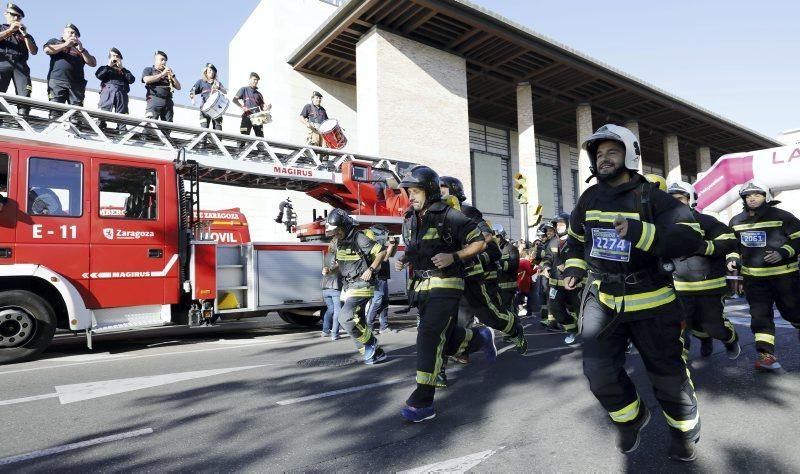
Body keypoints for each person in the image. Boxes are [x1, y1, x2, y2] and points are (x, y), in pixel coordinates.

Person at [562, 124, 705, 462]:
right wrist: (573, 268)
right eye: (599, 154)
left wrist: (642, 232)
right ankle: (632, 418)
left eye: (612, 152)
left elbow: (692, 236)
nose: (604, 159)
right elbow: (576, 242)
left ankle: (685, 432)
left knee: (668, 379)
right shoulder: (589, 198)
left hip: (653, 301)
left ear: (630, 155)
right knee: (598, 373)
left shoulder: (653, 198)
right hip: (603, 300)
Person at [395, 165, 497, 422]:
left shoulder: (451, 215)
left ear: (429, 190)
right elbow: (418, 248)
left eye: (416, 191)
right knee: (446, 339)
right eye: (409, 192)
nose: (412, 197)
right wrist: (405, 257)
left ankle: (423, 401)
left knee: (428, 336)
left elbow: (479, 241)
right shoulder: (410, 218)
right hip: (421, 288)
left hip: (447, 285)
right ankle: (478, 338)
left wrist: (454, 256)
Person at [439, 176, 527, 355]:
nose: (439, 190)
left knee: (488, 316)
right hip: (444, 278)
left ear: (454, 190)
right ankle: (442, 366)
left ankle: (514, 329)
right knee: (440, 323)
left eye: (443, 187)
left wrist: (467, 250)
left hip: (470, 276)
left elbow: (486, 239)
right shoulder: (434, 213)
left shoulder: (468, 211)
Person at [727, 180, 800, 371]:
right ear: (743, 198)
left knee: (793, 313)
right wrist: (732, 258)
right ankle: (766, 355)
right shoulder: (736, 222)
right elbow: (732, 246)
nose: (752, 198)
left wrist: (783, 252)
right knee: (760, 317)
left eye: (757, 195)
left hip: (785, 278)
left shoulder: (783, 217)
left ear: (765, 197)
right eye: (748, 195)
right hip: (754, 280)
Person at [667, 181, 740, 360]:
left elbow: (729, 240)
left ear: (691, 200)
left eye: (681, 198)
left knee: (712, 327)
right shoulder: (664, 225)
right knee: (681, 329)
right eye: (672, 199)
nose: (676, 202)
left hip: (710, 287)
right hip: (679, 289)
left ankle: (730, 339)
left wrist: (701, 247)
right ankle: (680, 370)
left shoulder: (706, 221)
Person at [326, 208, 388, 365]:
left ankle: (371, 343)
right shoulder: (339, 242)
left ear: (345, 226)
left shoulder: (359, 237)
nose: (336, 233)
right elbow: (341, 264)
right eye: (334, 231)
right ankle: (375, 354)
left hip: (363, 285)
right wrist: (330, 270)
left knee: (345, 317)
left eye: (338, 229)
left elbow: (381, 252)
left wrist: (370, 269)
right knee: (356, 322)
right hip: (349, 286)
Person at [541, 212, 582, 344]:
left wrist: (570, 267)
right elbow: (547, 258)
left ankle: (587, 334)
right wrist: (546, 267)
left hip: (574, 284)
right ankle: (572, 330)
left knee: (580, 309)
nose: (559, 227)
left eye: (562, 224)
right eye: (557, 224)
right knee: (555, 310)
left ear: (568, 225)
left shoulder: (576, 240)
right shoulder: (552, 242)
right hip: (555, 284)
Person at [44, 23, 96, 120]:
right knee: (55, 112)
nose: (73, 36)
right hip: (58, 81)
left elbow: (93, 63)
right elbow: (47, 50)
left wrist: (82, 50)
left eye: (76, 34)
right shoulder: (56, 41)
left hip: (76, 85)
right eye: (71, 33)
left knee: (76, 115)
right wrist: (65, 45)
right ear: (63, 34)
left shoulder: (81, 50)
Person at [0, 3, 36, 116]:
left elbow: (34, 51)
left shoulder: (25, 34)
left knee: (24, 93)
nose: (16, 18)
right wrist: (10, 30)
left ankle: (23, 117)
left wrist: (25, 34)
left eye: (19, 17)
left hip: (20, 64)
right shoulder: (1, 28)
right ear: (6, 14)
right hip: (3, 61)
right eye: (13, 15)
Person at [365, 228, 398, 334]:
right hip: (377, 277)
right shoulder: (374, 246)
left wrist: (395, 244)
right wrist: (391, 245)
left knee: (384, 302)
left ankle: (384, 326)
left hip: (383, 277)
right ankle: (369, 326)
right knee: (377, 302)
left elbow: (392, 254)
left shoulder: (381, 244)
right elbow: (385, 258)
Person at [94, 47, 134, 130]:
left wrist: (122, 68)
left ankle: (121, 129)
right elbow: (99, 75)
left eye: (117, 56)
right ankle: (100, 125)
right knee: (104, 110)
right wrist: (109, 66)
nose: (115, 58)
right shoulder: (104, 68)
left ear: (120, 59)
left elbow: (131, 80)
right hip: (107, 93)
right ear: (109, 58)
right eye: (113, 56)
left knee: (122, 113)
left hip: (121, 94)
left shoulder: (125, 71)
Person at [142, 50, 180, 122]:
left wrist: (173, 76)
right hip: (154, 98)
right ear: (155, 60)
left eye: (165, 60)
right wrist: (162, 74)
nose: (164, 62)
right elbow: (146, 80)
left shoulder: (168, 74)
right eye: (162, 60)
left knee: (167, 126)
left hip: (168, 101)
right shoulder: (149, 69)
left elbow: (178, 87)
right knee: (150, 123)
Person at [190, 63, 226, 130]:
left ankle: (216, 140)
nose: (211, 72)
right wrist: (192, 99)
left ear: (215, 73)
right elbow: (192, 91)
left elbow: (225, 92)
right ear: (206, 72)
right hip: (204, 109)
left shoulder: (217, 83)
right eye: (209, 70)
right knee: (204, 129)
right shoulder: (201, 82)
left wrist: (219, 88)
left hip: (216, 110)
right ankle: (203, 140)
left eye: (212, 71)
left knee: (218, 130)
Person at [233, 72, 269, 137]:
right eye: (254, 79)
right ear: (250, 79)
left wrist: (267, 108)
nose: (256, 81)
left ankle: (260, 147)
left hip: (258, 117)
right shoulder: (244, 89)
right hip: (247, 116)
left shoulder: (259, 94)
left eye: (257, 80)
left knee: (260, 137)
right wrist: (242, 107)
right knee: (244, 136)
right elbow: (234, 100)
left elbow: (263, 108)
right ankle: (242, 147)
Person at [495, 224, 521, 315]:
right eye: (494, 236)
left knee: (509, 309)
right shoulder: (494, 248)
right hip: (498, 285)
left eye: (497, 236)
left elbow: (514, 264)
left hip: (508, 285)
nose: (495, 238)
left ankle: (515, 327)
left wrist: (499, 262)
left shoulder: (511, 248)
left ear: (502, 236)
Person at [321, 237, 342, 340]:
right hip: (335, 287)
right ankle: (335, 333)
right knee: (338, 310)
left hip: (325, 287)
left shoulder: (327, 255)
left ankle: (325, 331)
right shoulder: (340, 255)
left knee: (330, 309)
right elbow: (338, 266)